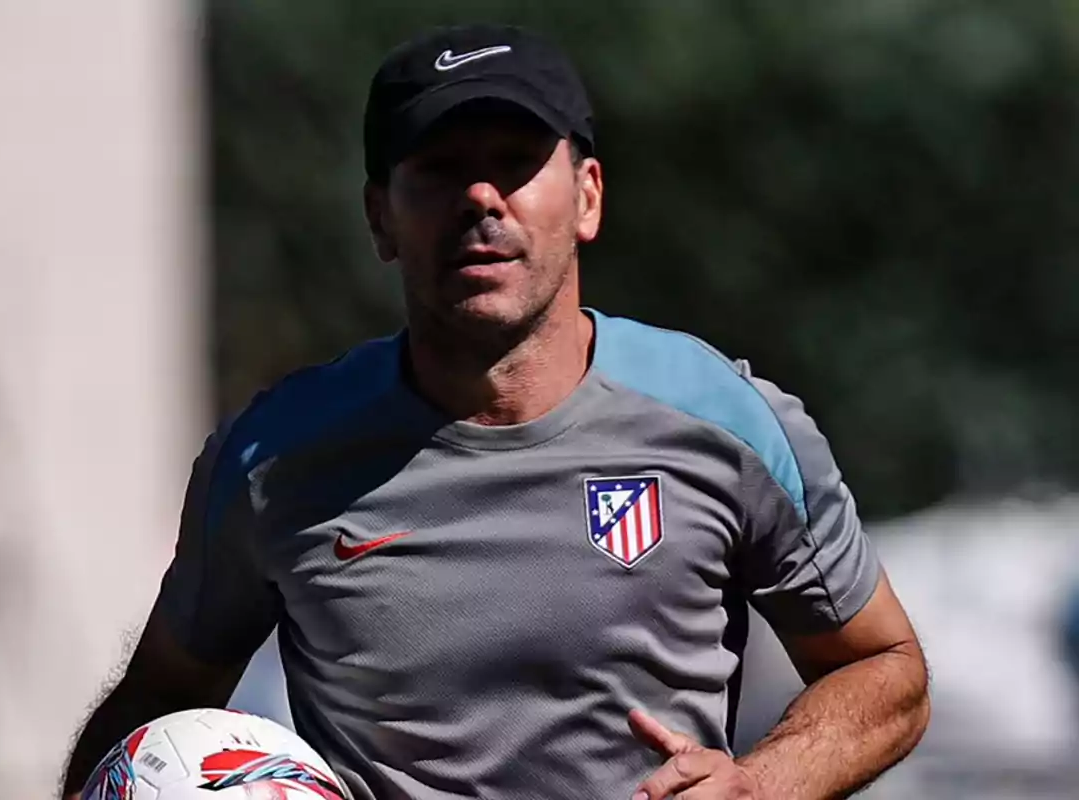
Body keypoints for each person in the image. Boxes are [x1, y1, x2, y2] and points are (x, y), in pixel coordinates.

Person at [61, 23, 930, 800]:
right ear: (380, 217)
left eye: (514, 160)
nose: (481, 197)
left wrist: (762, 785)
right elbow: (154, 714)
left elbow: (887, 669)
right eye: (439, 171)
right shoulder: (274, 459)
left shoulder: (727, 422)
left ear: (587, 196)